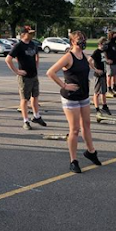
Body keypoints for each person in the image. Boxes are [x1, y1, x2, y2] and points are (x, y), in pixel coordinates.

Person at [46, 31, 101, 173]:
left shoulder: (84, 56)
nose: (82, 41)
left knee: (87, 125)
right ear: (72, 42)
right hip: (70, 97)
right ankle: (73, 160)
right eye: (79, 39)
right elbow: (50, 72)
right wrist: (64, 85)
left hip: (83, 96)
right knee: (75, 130)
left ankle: (91, 152)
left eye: (83, 38)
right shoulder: (68, 57)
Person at [6, 26, 47, 130]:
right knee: (25, 99)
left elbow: (36, 55)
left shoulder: (33, 44)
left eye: (33, 33)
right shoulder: (19, 46)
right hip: (24, 77)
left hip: (34, 75)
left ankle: (36, 116)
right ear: (23, 34)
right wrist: (17, 71)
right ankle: (26, 120)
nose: (32, 35)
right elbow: (8, 59)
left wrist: (36, 65)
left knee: (35, 96)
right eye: (30, 33)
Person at [90, 37, 112, 117]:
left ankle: (104, 106)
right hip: (98, 75)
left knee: (103, 92)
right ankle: (97, 108)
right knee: (97, 93)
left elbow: (103, 60)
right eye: (104, 44)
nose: (105, 46)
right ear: (99, 44)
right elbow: (89, 61)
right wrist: (96, 70)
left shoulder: (103, 52)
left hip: (103, 74)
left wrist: (107, 61)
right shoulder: (96, 52)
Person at [106, 30, 116, 95]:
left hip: (115, 61)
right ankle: (109, 88)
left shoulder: (114, 43)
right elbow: (103, 52)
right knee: (109, 75)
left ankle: (114, 86)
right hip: (109, 62)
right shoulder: (107, 43)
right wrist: (106, 59)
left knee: (114, 74)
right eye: (115, 35)